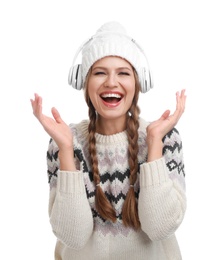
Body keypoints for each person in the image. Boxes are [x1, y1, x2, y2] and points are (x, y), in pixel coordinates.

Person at [31, 21, 187, 260]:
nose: (111, 82)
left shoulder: (165, 139)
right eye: (100, 72)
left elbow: (160, 228)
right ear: (84, 83)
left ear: (138, 84)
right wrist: (65, 150)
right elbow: (73, 236)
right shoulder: (63, 143)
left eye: (123, 73)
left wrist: (154, 144)